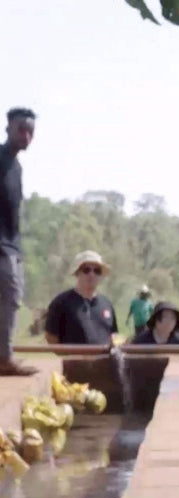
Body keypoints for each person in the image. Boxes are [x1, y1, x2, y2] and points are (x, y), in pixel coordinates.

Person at [0, 107, 36, 376]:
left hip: (12, 244)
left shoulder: (17, 167)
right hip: (2, 246)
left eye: (30, 131)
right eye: (21, 129)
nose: (26, 135)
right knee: (11, 297)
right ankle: (4, 358)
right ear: (7, 130)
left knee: (10, 299)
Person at [44, 251, 118, 345]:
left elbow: (113, 335)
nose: (92, 274)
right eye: (86, 270)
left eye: (97, 271)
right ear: (77, 272)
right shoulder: (61, 303)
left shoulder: (107, 304)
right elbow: (51, 337)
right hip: (75, 359)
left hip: (104, 359)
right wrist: (71, 355)